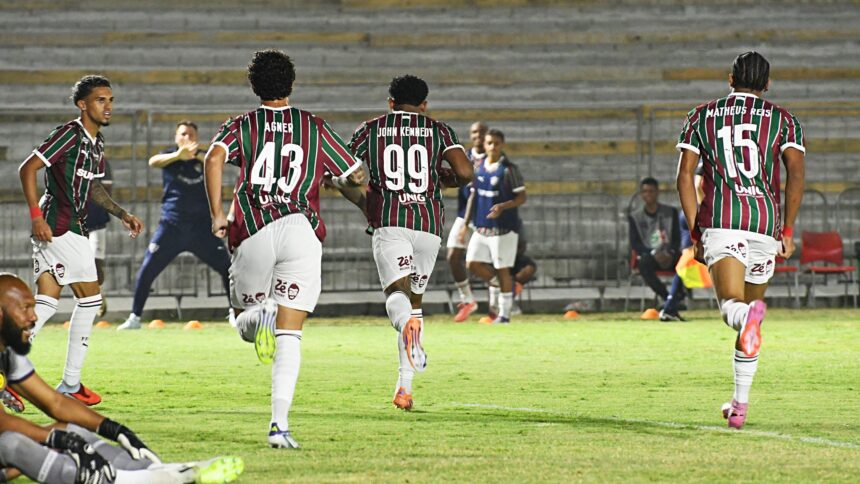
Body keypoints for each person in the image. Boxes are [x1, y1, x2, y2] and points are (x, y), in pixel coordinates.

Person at [204, 49, 366, 449]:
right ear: (291, 84)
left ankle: (259, 313)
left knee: (243, 321)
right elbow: (353, 172)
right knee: (290, 335)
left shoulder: (242, 124)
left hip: (254, 227)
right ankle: (279, 426)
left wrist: (217, 213)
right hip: (301, 228)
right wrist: (346, 182)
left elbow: (213, 158)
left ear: (254, 86)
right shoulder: (314, 126)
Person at [0, 273, 244, 484]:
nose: (34, 317)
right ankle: (146, 481)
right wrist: (58, 439)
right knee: (12, 444)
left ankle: (159, 471)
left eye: (33, 307)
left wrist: (116, 430)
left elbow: (56, 403)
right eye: (25, 308)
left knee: (71, 428)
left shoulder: (7, 352)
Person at [676, 51, 805, 429]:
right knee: (750, 319)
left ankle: (747, 317)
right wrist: (788, 230)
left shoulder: (701, 115)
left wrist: (695, 230)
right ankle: (739, 405)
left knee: (733, 308)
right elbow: (796, 176)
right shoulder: (785, 121)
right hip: (765, 222)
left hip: (723, 219)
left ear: (729, 79)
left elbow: (685, 177)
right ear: (767, 84)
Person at [348, 75, 473, 411]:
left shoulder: (371, 128)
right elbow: (465, 172)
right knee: (414, 303)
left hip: (391, 221)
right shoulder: (439, 130)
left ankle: (407, 327)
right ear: (424, 105)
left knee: (397, 298)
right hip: (428, 225)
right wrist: (446, 178)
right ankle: (404, 389)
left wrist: (362, 201)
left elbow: (343, 171)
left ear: (390, 102)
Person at [18, 75, 144, 406]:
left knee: (45, 302)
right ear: (82, 104)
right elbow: (27, 168)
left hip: (64, 227)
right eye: (101, 100)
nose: (109, 106)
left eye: (111, 99)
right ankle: (71, 384)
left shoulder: (96, 143)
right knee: (89, 300)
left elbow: (92, 187)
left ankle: (8, 368)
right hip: (60, 227)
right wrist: (35, 216)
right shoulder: (69, 135)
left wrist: (122, 213)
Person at [118, 120, 233, 330]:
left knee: (227, 268)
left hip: (201, 229)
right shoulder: (169, 156)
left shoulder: (206, 157)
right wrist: (178, 155)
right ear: (175, 137)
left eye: (190, 134)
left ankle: (235, 313)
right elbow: (153, 161)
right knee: (147, 269)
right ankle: (135, 317)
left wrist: (195, 155)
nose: (187, 138)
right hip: (172, 227)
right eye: (183, 134)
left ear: (196, 138)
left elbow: (218, 162)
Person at [460, 128, 526, 324]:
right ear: (485, 145)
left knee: (502, 268)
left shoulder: (508, 170)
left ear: (502, 145)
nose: (492, 147)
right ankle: (497, 284)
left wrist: (503, 206)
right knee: (472, 263)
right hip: (481, 228)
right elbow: (473, 196)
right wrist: (465, 224)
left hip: (502, 229)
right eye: (489, 143)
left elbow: (521, 196)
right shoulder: (479, 168)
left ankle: (505, 314)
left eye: (496, 143)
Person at [448, 121, 487, 322]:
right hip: (464, 215)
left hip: (484, 217)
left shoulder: (493, 159)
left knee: (486, 263)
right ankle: (468, 299)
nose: (478, 135)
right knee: (453, 254)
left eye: (481, 132)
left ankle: (503, 303)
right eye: (474, 132)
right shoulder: (466, 157)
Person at [628, 177, 682, 313]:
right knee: (643, 264)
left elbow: (677, 238)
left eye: (651, 191)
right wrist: (653, 253)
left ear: (657, 192)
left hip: (669, 254)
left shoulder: (671, 213)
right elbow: (635, 243)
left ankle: (679, 295)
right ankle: (667, 298)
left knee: (686, 261)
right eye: (645, 192)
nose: (648, 195)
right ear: (641, 194)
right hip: (650, 256)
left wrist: (669, 252)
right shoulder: (635, 217)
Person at [84, 161, 112, 318]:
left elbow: (107, 189)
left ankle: (98, 293)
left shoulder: (101, 162)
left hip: (97, 221)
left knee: (96, 261)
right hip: (73, 223)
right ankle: (88, 298)